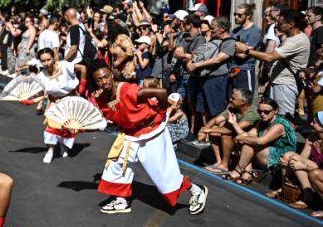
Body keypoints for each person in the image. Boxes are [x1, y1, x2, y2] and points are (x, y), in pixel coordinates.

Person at [90, 65, 208, 215]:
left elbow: (162, 92)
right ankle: (121, 200)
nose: (104, 81)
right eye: (99, 80)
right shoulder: (102, 97)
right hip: (131, 134)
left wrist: (162, 111)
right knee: (117, 164)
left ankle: (197, 191)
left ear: (112, 76)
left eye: (106, 76)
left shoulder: (128, 90)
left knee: (161, 173)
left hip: (151, 131)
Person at [237, 10, 309, 120]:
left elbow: (269, 57)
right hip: (279, 83)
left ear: (291, 25)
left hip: (285, 85)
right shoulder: (291, 38)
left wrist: (246, 51)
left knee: (284, 120)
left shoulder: (296, 41)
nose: (277, 26)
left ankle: (287, 137)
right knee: (273, 118)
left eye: (280, 23)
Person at [20, 48, 82, 163]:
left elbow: (83, 68)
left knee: (67, 127)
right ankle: (51, 150)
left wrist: (82, 85)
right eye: (43, 61)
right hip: (54, 103)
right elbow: (41, 94)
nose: (46, 63)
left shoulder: (64, 65)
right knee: (51, 128)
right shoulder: (41, 76)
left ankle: (63, 145)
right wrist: (29, 101)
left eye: (48, 59)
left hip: (69, 102)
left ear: (53, 58)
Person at [222, 98, 296, 185]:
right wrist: (234, 123)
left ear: (275, 111)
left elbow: (261, 141)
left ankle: (238, 170)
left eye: (266, 112)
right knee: (246, 141)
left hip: (281, 157)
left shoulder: (279, 125)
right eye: (259, 111)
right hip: (265, 152)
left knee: (248, 142)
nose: (262, 114)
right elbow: (246, 135)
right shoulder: (262, 122)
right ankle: (247, 172)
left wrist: (240, 138)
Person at [197, 88, 258, 174]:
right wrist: (204, 131)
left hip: (246, 142)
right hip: (235, 138)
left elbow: (231, 131)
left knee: (224, 134)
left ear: (243, 102)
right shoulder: (233, 108)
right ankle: (219, 161)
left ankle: (225, 165)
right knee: (214, 131)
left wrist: (207, 130)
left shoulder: (252, 114)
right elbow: (216, 120)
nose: (230, 99)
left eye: (233, 98)